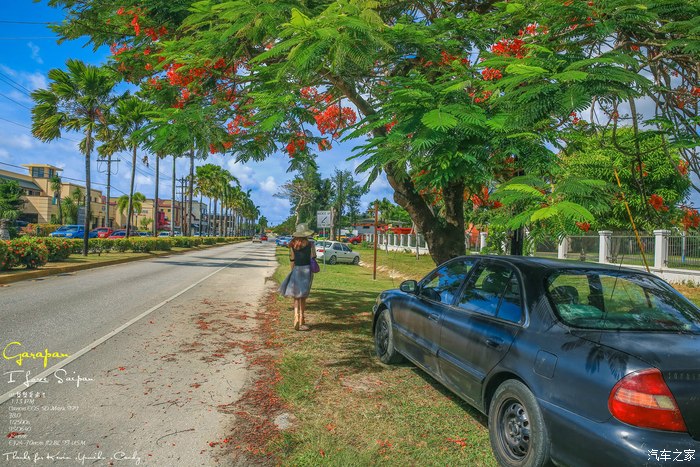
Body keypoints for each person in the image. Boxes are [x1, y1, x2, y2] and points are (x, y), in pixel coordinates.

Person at [278, 223, 316, 331]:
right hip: (307, 271)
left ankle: (295, 317)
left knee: (296, 296)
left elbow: (292, 260)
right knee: (303, 296)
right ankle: (302, 319)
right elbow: (313, 257)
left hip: (296, 270)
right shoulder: (310, 244)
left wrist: (293, 271)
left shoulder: (292, 244)